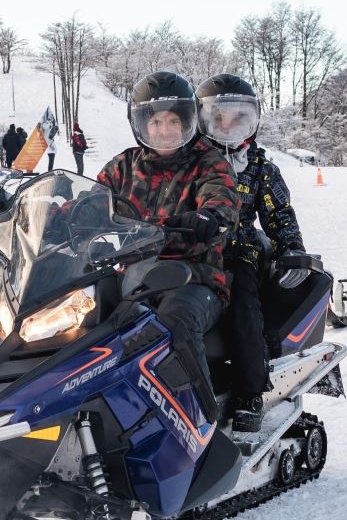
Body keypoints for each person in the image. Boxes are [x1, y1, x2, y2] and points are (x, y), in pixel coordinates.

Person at [97, 71, 240, 420]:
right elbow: (89, 201)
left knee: (175, 318)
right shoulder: (123, 166)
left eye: (173, 121)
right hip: (132, 275)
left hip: (194, 278)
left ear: (189, 120)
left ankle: (199, 420)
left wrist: (210, 217)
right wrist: (51, 211)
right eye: (156, 121)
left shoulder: (208, 162)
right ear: (141, 124)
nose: (164, 130)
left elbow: (221, 200)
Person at [195, 73, 310, 433]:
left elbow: (279, 214)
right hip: (191, 250)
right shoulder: (188, 163)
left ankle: (249, 392)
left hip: (239, 250)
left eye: (238, 118)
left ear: (252, 120)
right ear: (202, 120)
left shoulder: (260, 167)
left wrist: (291, 248)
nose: (227, 126)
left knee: (243, 303)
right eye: (219, 118)